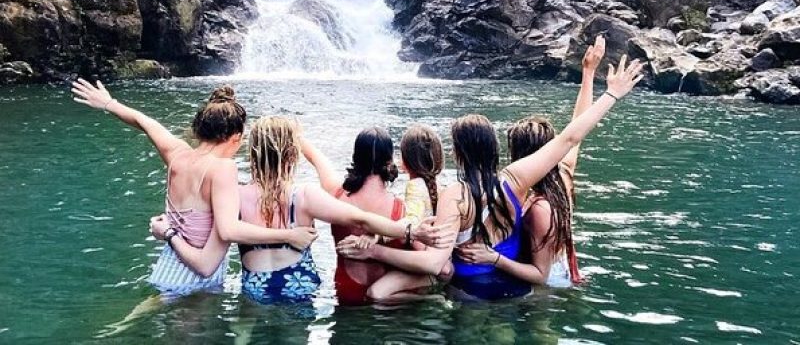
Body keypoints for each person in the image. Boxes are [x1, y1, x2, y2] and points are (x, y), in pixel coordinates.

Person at [336, 56, 643, 301]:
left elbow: (433, 264)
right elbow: (568, 139)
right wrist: (611, 93)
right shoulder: (515, 180)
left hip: (472, 295)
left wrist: (374, 250)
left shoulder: (454, 195)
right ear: (494, 147)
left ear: (458, 151)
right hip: (515, 291)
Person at [150, 117, 449, 304]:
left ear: (253, 153)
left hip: (256, 291)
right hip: (302, 290)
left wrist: (171, 232)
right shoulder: (305, 196)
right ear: (291, 154)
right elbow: (359, 218)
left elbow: (207, 240)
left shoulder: (234, 195)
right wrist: (409, 229)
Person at [71, 80, 318, 296]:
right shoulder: (223, 168)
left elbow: (145, 122)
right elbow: (229, 230)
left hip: (165, 270)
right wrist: (288, 235)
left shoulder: (177, 155)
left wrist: (109, 103)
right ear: (236, 137)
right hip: (195, 283)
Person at [458, 36, 606, 287]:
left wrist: (494, 258)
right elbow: (576, 129)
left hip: (546, 286)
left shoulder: (538, 207)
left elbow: (541, 275)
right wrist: (588, 73)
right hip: (562, 274)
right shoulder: (562, 175)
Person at [301, 126, 452, 305]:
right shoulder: (402, 211)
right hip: (386, 301)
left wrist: (293, 135)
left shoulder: (335, 195)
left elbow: (316, 157)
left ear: (355, 158)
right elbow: (436, 265)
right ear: (390, 163)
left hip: (345, 293)